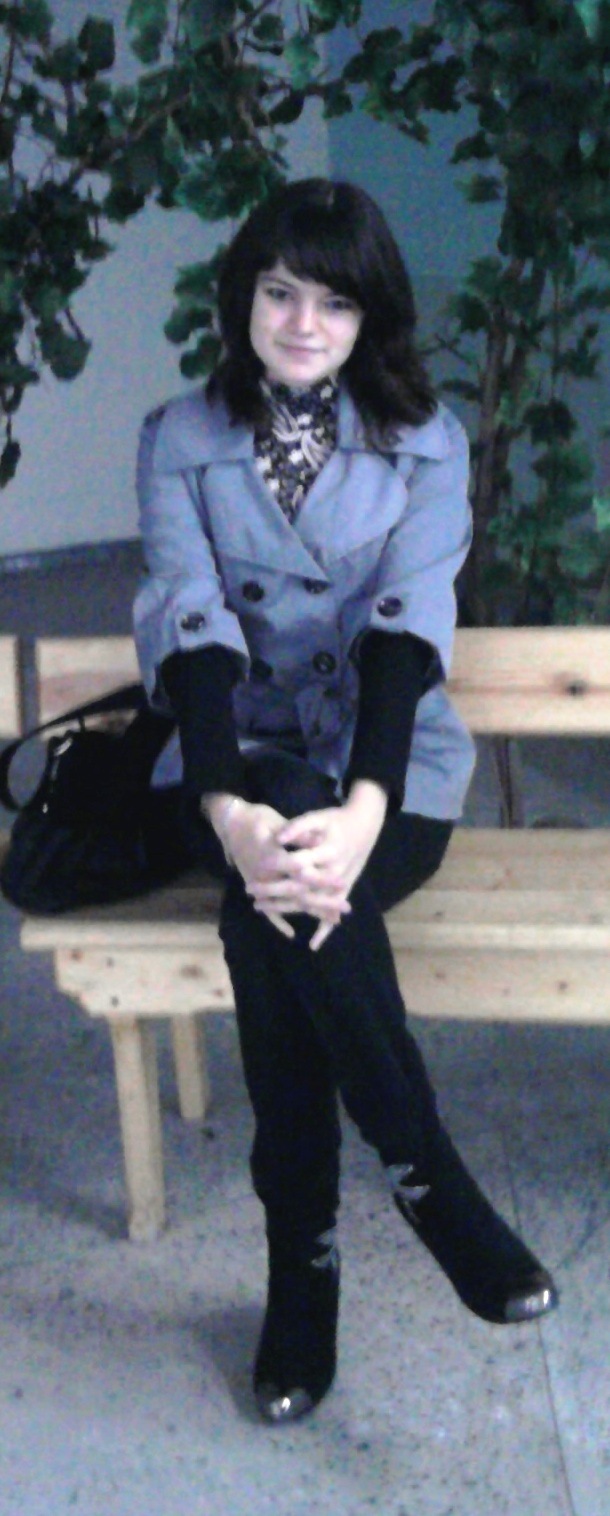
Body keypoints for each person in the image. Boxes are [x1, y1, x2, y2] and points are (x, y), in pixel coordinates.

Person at [133, 178, 558, 1425]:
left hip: (391, 766)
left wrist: (364, 807)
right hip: (235, 763)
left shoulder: (425, 442)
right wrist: (227, 810)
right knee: (281, 860)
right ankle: (427, 1179)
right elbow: (189, 618)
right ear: (243, 298)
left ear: (370, 317)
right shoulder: (180, 435)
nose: (302, 324)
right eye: (279, 292)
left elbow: (404, 629)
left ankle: (302, 1263)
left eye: (333, 301)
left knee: (275, 913)